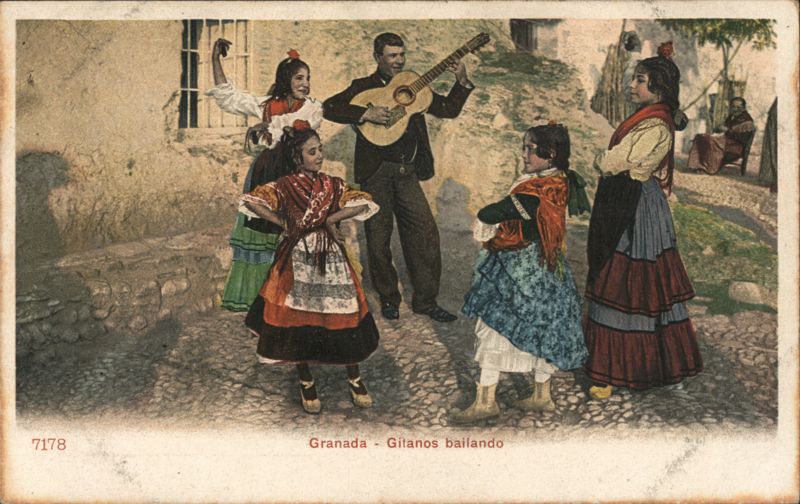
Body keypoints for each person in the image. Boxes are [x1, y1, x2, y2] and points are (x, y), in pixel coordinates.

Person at [323, 32, 475, 322]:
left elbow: (448, 109)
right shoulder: (363, 87)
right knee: (378, 239)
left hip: (407, 172)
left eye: (401, 55)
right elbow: (330, 107)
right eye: (392, 55)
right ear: (377, 57)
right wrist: (365, 114)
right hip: (376, 173)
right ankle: (389, 298)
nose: (398, 61)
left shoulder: (411, 86)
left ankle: (426, 301)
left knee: (425, 233)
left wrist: (461, 82)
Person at [584, 42, 703, 400]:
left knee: (630, 284)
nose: (632, 86)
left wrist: (598, 159)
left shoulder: (655, 126)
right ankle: (612, 366)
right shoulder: (649, 119)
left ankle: (628, 369)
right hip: (626, 199)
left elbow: (610, 163)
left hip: (636, 207)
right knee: (620, 280)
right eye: (634, 79)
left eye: (639, 80)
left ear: (658, 88)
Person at [451, 123, 591, 424]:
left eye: (530, 148)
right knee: (543, 326)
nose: (524, 153)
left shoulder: (533, 191)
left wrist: (486, 220)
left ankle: (486, 400)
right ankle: (542, 395)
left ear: (550, 154)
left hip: (520, 266)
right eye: (524, 146)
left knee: (494, 324)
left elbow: (490, 213)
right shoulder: (560, 182)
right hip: (549, 267)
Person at [240, 125, 380, 414]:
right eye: (312, 152)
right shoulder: (284, 186)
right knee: (298, 318)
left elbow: (363, 201)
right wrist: (283, 224)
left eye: (321, 150)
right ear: (297, 156)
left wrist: (332, 219)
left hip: (331, 257)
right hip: (298, 258)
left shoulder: (333, 184)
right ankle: (306, 380)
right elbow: (251, 201)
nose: (319, 156)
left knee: (342, 314)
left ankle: (354, 377)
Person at [206, 39, 323, 311]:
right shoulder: (267, 105)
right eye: (299, 78)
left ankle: (292, 303)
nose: (305, 83)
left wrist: (269, 127)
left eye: (308, 78)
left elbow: (300, 135)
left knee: (296, 235)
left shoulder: (313, 109)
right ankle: (260, 303)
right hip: (265, 173)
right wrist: (215, 59)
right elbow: (229, 97)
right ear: (286, 80)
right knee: (262, 233)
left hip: (296, 176)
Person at [687, 96, 755, 175]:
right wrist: (719, 128)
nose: (735, 109)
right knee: (700, 137)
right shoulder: (732, 117)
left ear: (743, 108)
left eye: (738, 107)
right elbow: (724, 128)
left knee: (711, 142)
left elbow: (742, 139)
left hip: (736, 146)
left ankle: (709, 169)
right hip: (725, 141)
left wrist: (727, 131)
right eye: (733, 107)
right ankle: (697, 165)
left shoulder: (747, 121)